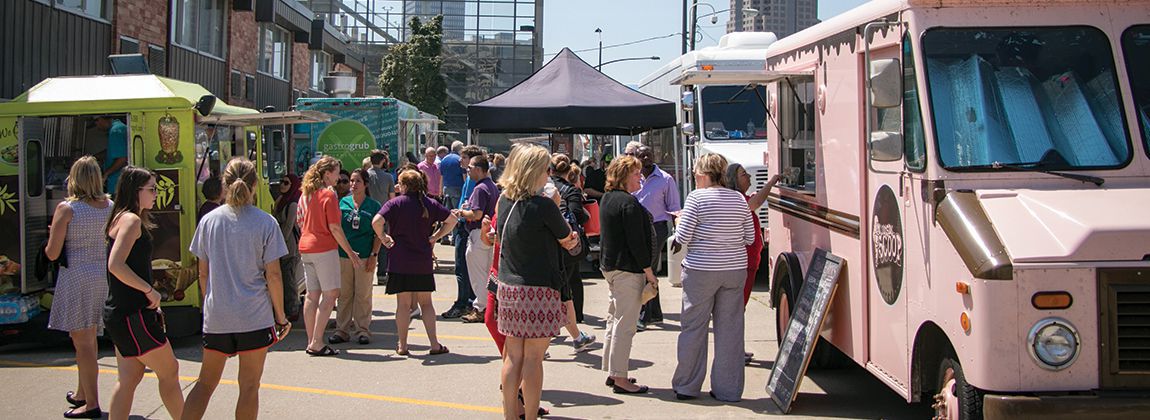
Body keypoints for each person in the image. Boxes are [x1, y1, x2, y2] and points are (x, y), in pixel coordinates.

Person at [182, 158, 290, 420]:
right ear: (254, 185)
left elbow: (203, 273)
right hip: (253, 314)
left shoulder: (209, 221)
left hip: (218, 313)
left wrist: (212, 302)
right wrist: (281, 316)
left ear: (224, 184)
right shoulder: (265, 223)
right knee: (249, 386)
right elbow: (273, 275)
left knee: (205, 383)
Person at [495, 144, 580, 420]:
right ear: (535, 171)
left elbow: (500, 239)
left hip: (509, 286)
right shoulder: (544, 205)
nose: (549, 174)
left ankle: (510, 415)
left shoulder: (504, 200)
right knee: (534, 359)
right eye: (546, 169)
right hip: (539, 288)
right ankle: (529, 416)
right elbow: (568, 239)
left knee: (512, 357)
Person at [670, 153, 756, 402]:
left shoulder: (697, 198)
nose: (695, 178)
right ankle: (728, 389)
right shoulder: (739, 199)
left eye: (696, 174)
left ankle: (687, 385)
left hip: (701, 269)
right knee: (730, 330)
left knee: (694, 327)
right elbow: (750, 237)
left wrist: (679, 221)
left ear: (704, 174)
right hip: (734, 268)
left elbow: (683, 237)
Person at [105, 166, 184, 420]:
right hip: (133, 314)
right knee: (169, 370)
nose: (155, 193)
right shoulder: (130, 220)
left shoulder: (121, 217)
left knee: (129, 377)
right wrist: (150, 291)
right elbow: (115, 264)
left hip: (121, 313)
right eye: (151, 189)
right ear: (135, 190)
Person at [45, 156, 112, 419]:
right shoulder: (110, 206)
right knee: (90, 339)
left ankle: (91, 404)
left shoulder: (67, 209)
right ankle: (82, 392)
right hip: (101, 275)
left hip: (76, 277)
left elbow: (52, 253)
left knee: (81, 343)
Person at [373, 169, 455, 356]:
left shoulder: (395, 203)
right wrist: (435, 237)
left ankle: (402, 345)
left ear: (403, 185)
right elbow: (452, 220)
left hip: (399, 259)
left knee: (402, 305)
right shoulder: (429, 203)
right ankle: (434, 344)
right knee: (426, 303)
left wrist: (384, 237)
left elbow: (376, 221)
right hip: (422, 260)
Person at [597, 155, 656, 394]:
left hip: (612, 268)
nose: (639, 177)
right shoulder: (628, 204)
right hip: (627, 270)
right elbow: (637, 244)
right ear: (623, 176)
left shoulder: (609, 199)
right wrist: (650, 273)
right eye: (635, 173)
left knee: (614, 319)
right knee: (625, 325)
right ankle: (620, 377)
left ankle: (614, 371)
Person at [298, 156, 361, 357]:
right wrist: (350, 252)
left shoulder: (306, 193)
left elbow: (300, 220)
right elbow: (334, 227)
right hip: (323, 247)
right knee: (331, 294)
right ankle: (316, 341)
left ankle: (311, 340)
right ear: (327, 174)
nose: (338, 177)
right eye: (336, 172)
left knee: (311, 295)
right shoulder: (328, 195)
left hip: (306, 246)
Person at [722, 164, 781, 363]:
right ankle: (734, 350)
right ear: (733, 180)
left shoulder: (741, 198)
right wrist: (771, 182)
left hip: (750, 261)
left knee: (740, 308)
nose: (748, 177)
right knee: (737, 309)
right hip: (744, 262)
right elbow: (755, 203)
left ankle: (735, 347)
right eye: (743, 174)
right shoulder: (740, 200)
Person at [331, 169, 383, 345]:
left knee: (363, 294)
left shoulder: (373, 206)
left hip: (364, 256)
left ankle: (362, 330)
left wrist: (373, 255)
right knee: (344, 294)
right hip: (343, 255)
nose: (353, 184)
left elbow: (379, 234)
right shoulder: (342, 203)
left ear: (366, 184)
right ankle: (342, 330)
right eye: (351, 181)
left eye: (357, 181)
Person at [632, 145, 681, 331]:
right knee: (648, 268)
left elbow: (675, 207)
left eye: (648, 154)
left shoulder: (665, 179)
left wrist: (678, 233)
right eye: (642, 155)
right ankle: (656, 313)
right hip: (638, 228)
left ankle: (644, 316)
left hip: (658, 228)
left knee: (647, 269)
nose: (646, 158)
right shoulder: (633, 178)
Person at [443, 145, 484, 319]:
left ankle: (464, 303)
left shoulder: (475, 181)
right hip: (464, 224)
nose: (461, 160)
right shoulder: (469, 179)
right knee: (466, 268)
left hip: (466, 226)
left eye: (464, 157)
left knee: (462, 268)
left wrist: (461, 214)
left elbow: (472, 207)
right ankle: (470, 301)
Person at [457, 155, 499, 323]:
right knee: (488, 273)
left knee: (478, 274)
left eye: (470, 167)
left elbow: (477, 214)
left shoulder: (480, 188)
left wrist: (461, 212)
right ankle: (490, 306)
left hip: (478, 233)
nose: (467, 170)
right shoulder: (492, 186)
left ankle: (482, 308)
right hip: (489, 233)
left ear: (479, 169)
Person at [273, 174, 303, 321]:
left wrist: (278, 244)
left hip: (288, 246)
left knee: (289, 278)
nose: (282, 185)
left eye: (286, 183)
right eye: (281, 182)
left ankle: (293, 309)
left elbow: (289, 227)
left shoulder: (293, 204)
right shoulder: (281, 200)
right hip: (278, 245)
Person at [366, 149, 396, 286]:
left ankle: (366, 272)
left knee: (366, 242)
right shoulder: (388, 177)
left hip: (367, 212)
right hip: (383, 214)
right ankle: (382, 274)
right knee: (383, 243)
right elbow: (392, 199)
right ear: (383, 161)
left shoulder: (365, 175)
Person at [96, 116, 128, 192]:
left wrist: (106, 174)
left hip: (116, 184)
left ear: (100, 119)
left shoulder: (115, 131)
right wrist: (94, 157)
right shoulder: (121, 127)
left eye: (96, 122)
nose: (97, 126)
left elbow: (122, 159)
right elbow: (114, 150)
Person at [439, 141, 465, 210]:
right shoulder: (460, 160)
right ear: (460, 149)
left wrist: (440, 191)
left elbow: (441, 176)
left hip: (446, 188)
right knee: (457, 211)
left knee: (447, 212)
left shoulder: (444, 159)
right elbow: (464, 176)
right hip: (458, 188)